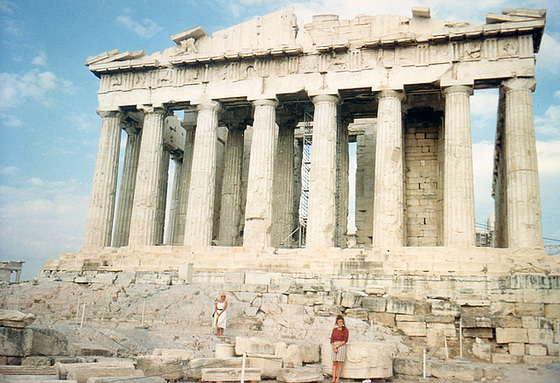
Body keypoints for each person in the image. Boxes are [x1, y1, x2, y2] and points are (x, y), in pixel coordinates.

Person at [330, 314, 349, 383]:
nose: (340, 323)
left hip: (341, 346)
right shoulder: (334, 330)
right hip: (334, 345)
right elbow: (331, 339)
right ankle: (333, 378)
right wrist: (333, 346)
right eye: (339, 322)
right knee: (334, 363)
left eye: (341, 322)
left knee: (339, 363)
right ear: (337, 323)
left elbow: (345, 340)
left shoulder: (345, 330)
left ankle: (337, 379)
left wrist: (337, 346)